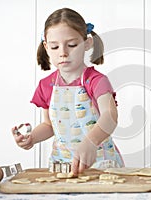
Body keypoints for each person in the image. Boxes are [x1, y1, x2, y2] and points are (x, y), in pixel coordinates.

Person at [12, 7, 124, 174]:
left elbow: (110, 116)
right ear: (46, 47)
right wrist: (32, 138)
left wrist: (91, 142)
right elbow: (49, 125)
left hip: (101, 166)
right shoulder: (46, 85)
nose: (63, 53)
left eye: (71, 45)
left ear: (87, 43)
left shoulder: (96, 81)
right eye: (55, 47)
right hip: (62, 167)